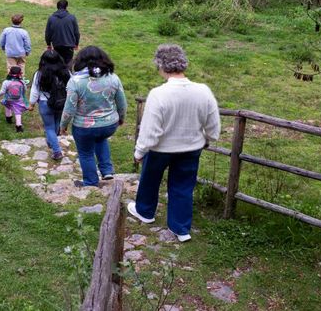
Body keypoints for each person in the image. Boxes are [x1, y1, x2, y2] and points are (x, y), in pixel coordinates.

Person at [127, 44, 220, 243]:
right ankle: (181, 228)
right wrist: (209, 139)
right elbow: (213, 123)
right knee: (183, 186)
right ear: (183, 64)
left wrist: (139, 151)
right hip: (191, 147)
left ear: (160, 66)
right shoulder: (203, 91)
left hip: (160, 149)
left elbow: (149, 130)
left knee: (150, 179)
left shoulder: (158, 94)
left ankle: (145, 211)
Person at [59, 46, 127, 187]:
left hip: (84, 127)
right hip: (109, 125)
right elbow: (122, 102)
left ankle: (91, 182)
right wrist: (121, 118)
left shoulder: (75, 82)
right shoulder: (113, 78)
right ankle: (107, 170)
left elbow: (69, 108)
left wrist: (63, 125)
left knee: (86, 153)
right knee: (100, 139)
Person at [27, 50, 70, 160]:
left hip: (45, 102)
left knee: (49, 127)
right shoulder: (66, 72)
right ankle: (53, 140)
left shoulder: (40, 74)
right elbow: (71, 86)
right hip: (62, 101)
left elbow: (35, 90)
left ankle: (56, 151)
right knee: (57, 123)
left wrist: (31, 104)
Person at [0, 66, 29, 133]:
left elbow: (2, 92)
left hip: (8, 99)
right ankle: (18, 126)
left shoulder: (6, 82)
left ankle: (8, 118)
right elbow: (25, 89)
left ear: (10, 73)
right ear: (20, 74)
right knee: (18, 112)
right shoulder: (22, 82)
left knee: (7, 106)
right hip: (18, 100)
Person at [45, 0, 80, 65]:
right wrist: (76, 43)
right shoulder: (72, 18)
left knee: (58, 62)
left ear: (57, 7)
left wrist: (48, 44)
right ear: (66, 7)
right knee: (68, 63)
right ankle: (68, 74)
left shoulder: (51, 18)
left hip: (57, 44)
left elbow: (48, 33)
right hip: (69, 45)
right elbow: (76, 32)